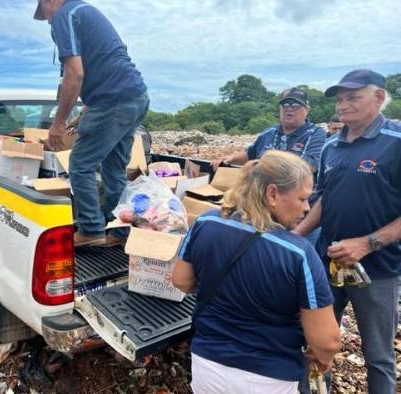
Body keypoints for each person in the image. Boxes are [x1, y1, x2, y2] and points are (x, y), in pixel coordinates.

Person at [172, 150, 340, 394]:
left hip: (208, 363)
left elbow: (181, 281)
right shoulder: (298, 253)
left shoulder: (205, 222)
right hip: (270, 375)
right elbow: (327, 340)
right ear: (272, 193)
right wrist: (322, 356)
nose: (307, 208)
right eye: (302, 199)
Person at [294, 69, 401, 394]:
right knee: (316, 342)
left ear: (379, 98)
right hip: (328, 263)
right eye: (340, 99)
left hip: (378, 270)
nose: (343, 105)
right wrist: (297, 235)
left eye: (353, 97)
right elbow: (326, 198)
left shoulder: (395, 144)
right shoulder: (331, 147)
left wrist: (367, 243)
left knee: (378, 355)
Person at [34, 0, 149, 247]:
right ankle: (119, 232)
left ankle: (91, 229)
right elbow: (105, 66)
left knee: (80, 165)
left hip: (112, 101)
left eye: (45, 13)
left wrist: (58, 124)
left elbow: (74, 74)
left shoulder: (65, 15)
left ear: (50, 1)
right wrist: (85, 111)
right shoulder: (86, 12)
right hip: (135, 97)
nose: (49, 20)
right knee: (114, 168)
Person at [211, 87, 326, 174]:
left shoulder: (315, 134)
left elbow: (310, 165)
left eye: (296, 105)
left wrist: (263, 164)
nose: (289, 109)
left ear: (307, 109)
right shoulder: (269, 132)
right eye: (285, 105)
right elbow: (250, 153)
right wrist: (229, 159)